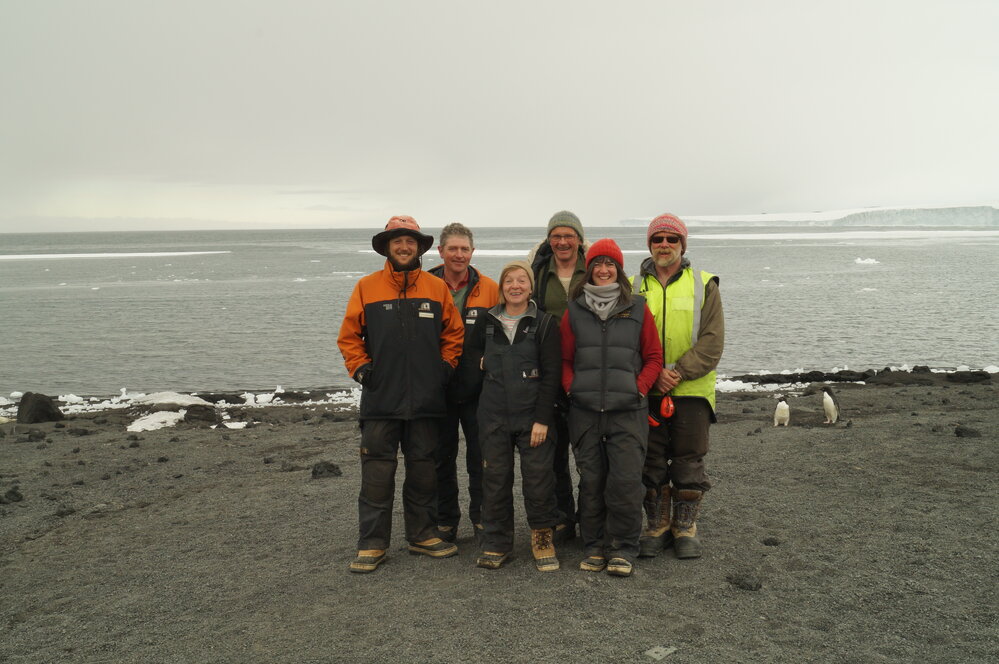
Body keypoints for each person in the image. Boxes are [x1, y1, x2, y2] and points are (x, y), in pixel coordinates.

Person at [337, 215, 465, 573]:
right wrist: (362, 369)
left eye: (410, 241)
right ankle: (373, 544)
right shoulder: (367, 287)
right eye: (397, 241)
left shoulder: (436, 288)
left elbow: (453, 334)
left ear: (420, 247)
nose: (404, 247)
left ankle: (422, 535)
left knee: (424, 471)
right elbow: (348, 338)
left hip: (426, 400)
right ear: (387, 247)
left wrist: (445, 367)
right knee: (377, 474)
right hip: (381, 400)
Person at [559, 239, 663, 577]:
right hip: (586, 412)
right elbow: (564, 359)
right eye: (598, 263)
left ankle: (623, 547)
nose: (604, 269)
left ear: (619, 270)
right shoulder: (574, 309)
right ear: (589, 268)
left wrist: (639, 388)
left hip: (628, 411)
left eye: (611, 264)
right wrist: (572, 387)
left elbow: (653, 357)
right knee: (592, 480)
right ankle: (593, 546)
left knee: (626, 481)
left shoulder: (637, 307)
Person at [631, 214, 724, 560]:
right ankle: (656, 526)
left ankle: (685, 527)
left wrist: (678, 372)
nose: (665, 245)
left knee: (689, 461)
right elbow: (624, 341)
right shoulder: (632, 286)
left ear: (683, 244)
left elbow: (712, 342)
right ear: (650, 245)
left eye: (672, 239)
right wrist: (652, 374)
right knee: (650, 460)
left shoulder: (704, 285)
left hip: (692, 391)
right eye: (658, 240)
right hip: (647, 389)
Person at [475, 260, 563, 572]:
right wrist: (482, 364)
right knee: (495, 481)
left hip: (533, 418)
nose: (515, 285)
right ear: (502, 287)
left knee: (539, 481)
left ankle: (542, 539)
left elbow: (552, 375)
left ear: (530, 287)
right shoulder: (487, 321)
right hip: (494, 417)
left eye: (521, 280)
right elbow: (470, 356)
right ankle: (498, 542)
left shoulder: (545, 323)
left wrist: (542, 420)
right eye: (509, 280)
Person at [427, 223, 499, 544]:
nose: (459, 254)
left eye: (464, 249)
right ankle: (445, 520)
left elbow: (504, 335)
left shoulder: (490, 288)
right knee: (440, 457)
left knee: (480, 458)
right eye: (452, 249)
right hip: (436, 388)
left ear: (473, 251)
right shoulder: (424, 285)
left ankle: (482, 517)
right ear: (440, 251)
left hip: (478, 390)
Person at [528, 210, 588, 543]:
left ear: (579, 239)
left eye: (568, 235)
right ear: (549, 240)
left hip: (588, 371)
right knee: (552, 452)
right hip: (549, 373)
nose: (562, 242)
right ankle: (563, 517)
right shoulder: (538, 272)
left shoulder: (595, 268)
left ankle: (591, 516)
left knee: (588, 450)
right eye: (556, 236)